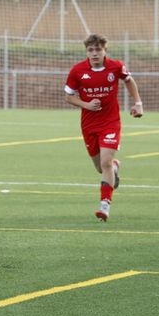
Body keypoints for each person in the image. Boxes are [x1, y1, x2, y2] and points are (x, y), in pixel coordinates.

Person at [64, 33, 143, 222]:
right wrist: (86, 104)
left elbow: (128, 80)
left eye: (98, 49)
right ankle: (114, 168)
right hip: (89, 124)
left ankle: (104, 205)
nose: (94, 53)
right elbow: (69, 96)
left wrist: (138, 102)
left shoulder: (115, 66)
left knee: (105, 161)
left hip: (110, 122)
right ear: (87, 52)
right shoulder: (77, 71)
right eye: (90, 50)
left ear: (105, 50)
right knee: (101, 167)